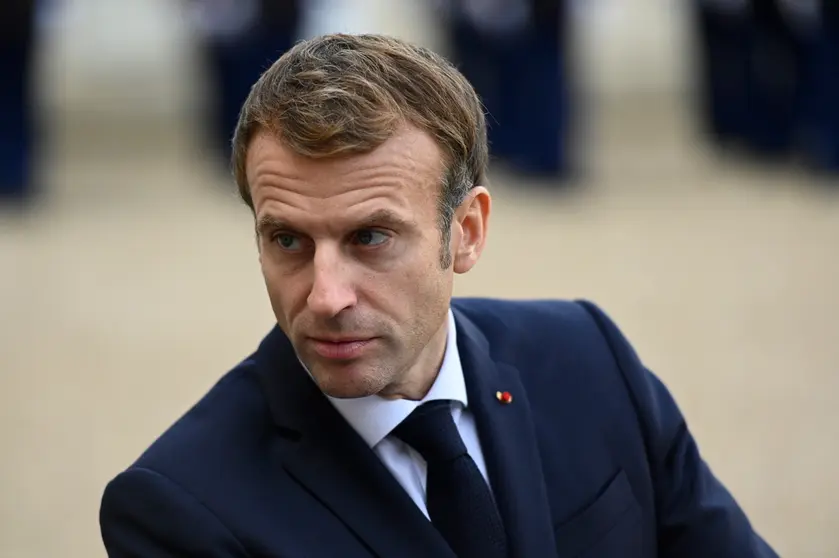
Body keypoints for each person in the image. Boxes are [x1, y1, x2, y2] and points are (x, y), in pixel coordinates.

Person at [99, 34, 779, 557]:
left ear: (467, 233)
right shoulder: (182, 506)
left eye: (369, 237)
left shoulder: (588, 362)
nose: (326, 296)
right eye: (287, 241)